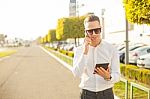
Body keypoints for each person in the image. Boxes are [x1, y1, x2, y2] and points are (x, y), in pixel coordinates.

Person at [72, 15, 120, 99]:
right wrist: (85, 52)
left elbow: (117, 75)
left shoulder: (111, 49)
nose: (94, 34)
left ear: (101, 29)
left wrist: (109, 77)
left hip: (107, 94)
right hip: (86, 94)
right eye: (90, 31)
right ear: (85, 32)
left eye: (97, 30)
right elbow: (76, 74)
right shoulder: (79, 50)